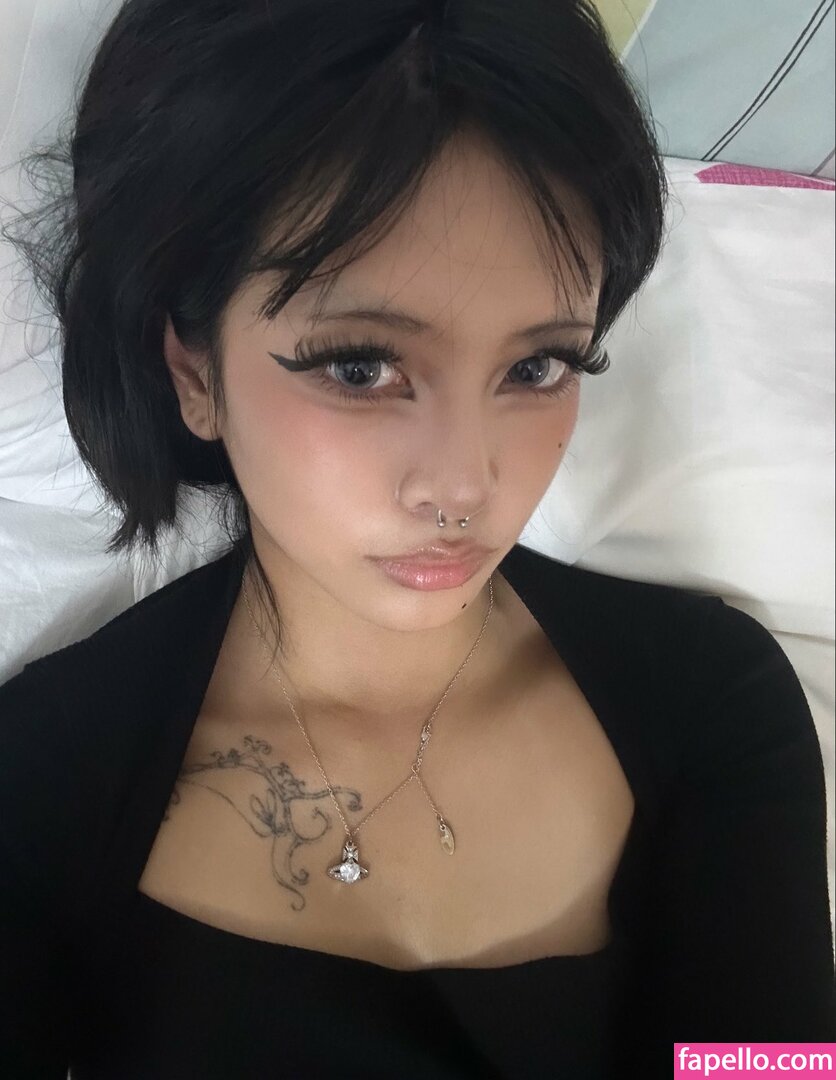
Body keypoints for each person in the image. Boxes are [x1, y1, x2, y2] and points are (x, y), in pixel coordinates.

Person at [1, 1, 833, 1077]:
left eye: (537, 367)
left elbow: (764, 1064)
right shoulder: (39, 779)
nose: (464, 484)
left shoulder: (713, 701)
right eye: (360, 366)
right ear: (194, 370)